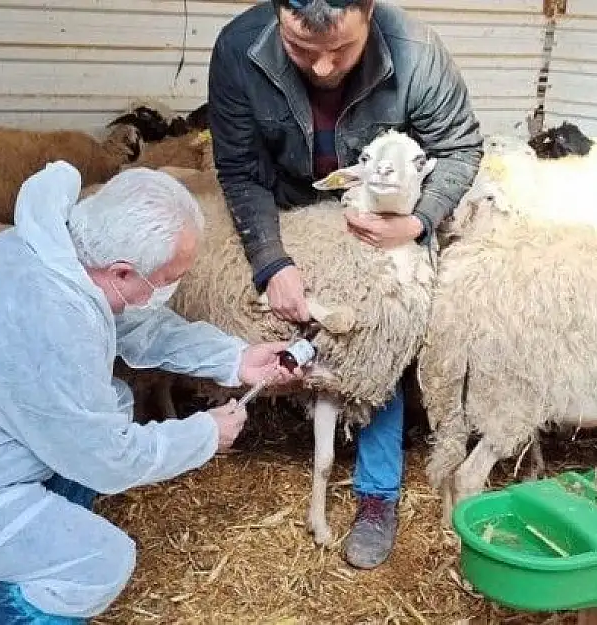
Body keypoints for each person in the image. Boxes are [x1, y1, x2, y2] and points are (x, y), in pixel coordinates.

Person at [0, 161, 304, 624]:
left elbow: (133, 322)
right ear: (122, 272)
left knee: (115, 399)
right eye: (166, 281)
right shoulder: (49, 315)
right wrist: (204, 435)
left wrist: (233, 358)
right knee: (100, 563)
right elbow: (107, 459)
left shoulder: (58, 250)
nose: (169, 289)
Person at [207, 0, 484, 569]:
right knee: (279, 319)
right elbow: (239, 168)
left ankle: (377, 494)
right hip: (291, 206)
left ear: (369, 9)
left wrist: (419, 219)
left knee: (380, 340)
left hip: (383, 214)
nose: (325, 68)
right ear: (281, 11)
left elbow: (460, 147)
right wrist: (270, 260)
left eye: (343, 49)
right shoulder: (239, 49)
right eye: (303, 50)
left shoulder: (417, 53)